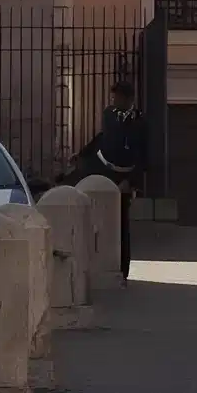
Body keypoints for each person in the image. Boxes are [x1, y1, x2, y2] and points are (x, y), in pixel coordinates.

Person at [71, 81, 147, 285]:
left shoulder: (139, 121)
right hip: (103, 171)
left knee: (121, 223)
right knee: (97, 218)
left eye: (118, 98)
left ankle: (122, 270)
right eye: (113, 97)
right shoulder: (109, 115)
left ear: (129, 99)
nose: (114, 101)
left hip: (123, 177)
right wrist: (83, 153)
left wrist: (130, 182)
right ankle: (97, 264)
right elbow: (103, 137)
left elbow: (143, 155)